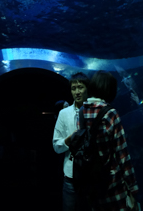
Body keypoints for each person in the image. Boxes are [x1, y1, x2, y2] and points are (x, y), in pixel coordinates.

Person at [79, 71, 139, 211]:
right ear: (109, 90)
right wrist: (133, 188)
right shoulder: (110, 113)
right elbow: (122, 154)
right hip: (113, 185)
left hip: (92, 185)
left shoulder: (81, 112)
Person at [53, 72, 90, 211]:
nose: (77, 92)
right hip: (70, 175)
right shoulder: (64, 114)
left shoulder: (95, 111)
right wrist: (68, 140)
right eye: (74, 88)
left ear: (87, 88)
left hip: (92, 174)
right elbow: (56, 146)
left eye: (80, 87)